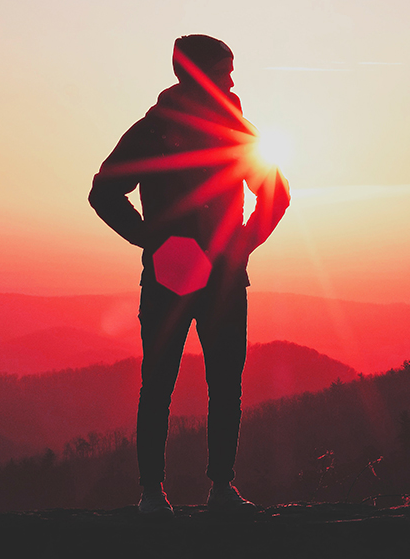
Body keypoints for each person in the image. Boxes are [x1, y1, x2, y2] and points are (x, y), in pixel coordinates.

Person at [89, 34, 290, 515]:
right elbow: (103, 192)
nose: (232, 80)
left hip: (194, 277)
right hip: (199, 278)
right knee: (183, 383)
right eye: (224, 72)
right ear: (201, 77)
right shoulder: (161, 130)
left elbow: (276, 192)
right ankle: (165, 492)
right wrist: (147, 237)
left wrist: (237, 241)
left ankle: (195, 490)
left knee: (190, 383)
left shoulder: (206, 129)